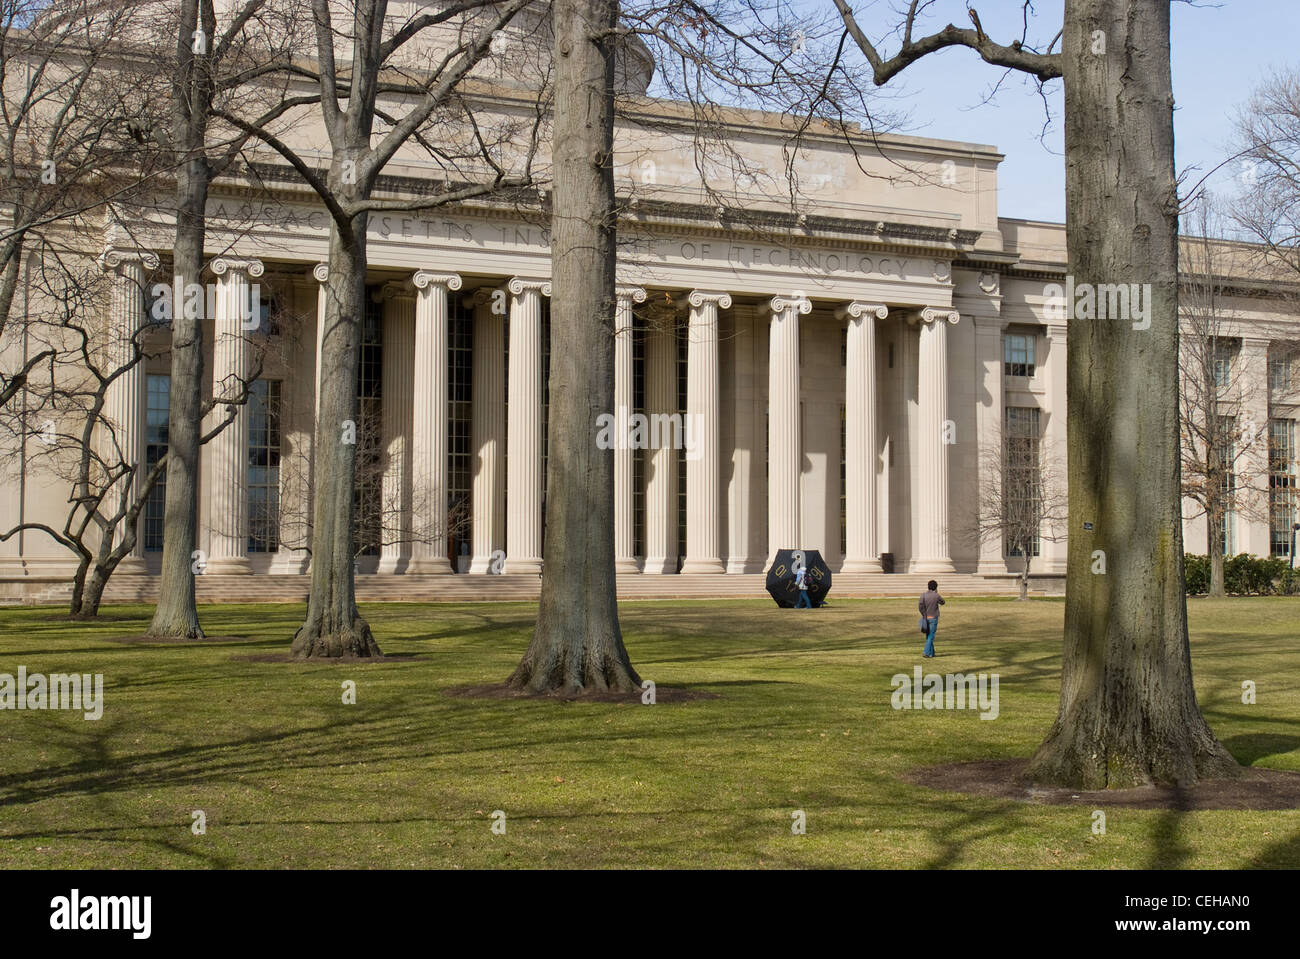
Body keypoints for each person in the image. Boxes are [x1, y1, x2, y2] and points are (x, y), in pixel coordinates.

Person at [918, 579, 944, 657]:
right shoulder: (936, 595)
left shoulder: (923, 595)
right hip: (933, 618)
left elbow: (920, 606)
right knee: (931, 636)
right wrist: (937, 594)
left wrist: (924, 614)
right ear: (936, 587)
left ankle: (932, 653)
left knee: (928, 636)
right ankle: (926, 652)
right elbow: (943, 602)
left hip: (926, 618)